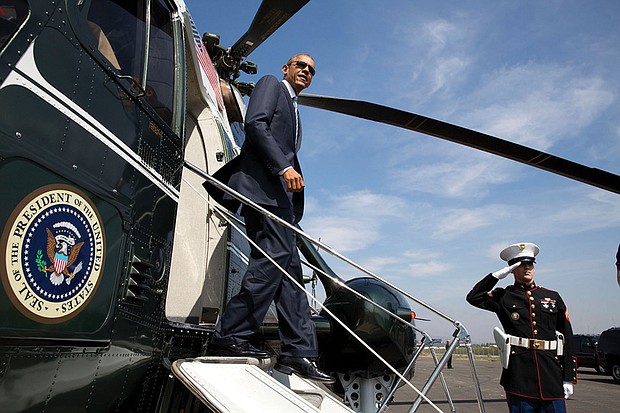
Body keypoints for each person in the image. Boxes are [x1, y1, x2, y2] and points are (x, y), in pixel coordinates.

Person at [204, 54, 334, 383]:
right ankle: (232, 333)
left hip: (282, 201)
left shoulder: (294, 109)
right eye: (301, 65)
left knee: (290, 275)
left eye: (312, 70)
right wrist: (284, 167)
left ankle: (298, 352)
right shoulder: (270, 85)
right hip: (264, 193)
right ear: (286, 69)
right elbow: (254, 124)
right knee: (272, 262)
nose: (306, 71)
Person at [466, 243, 577, 413]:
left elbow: (567, 337)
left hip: (551, 375)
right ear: (512, 269)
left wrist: (568, 377)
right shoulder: (503, 297)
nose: (527, 268)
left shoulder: (551, 297)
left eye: (530, 264)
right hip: (519, 376)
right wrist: (494, 277)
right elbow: (473, 297)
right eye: (521, 265)